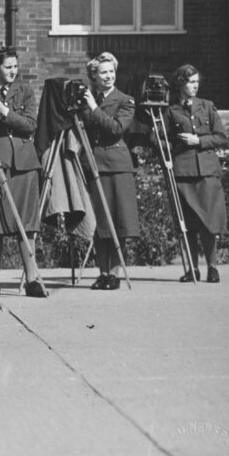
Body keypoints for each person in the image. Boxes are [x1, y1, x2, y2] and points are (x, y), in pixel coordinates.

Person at [0, 46, 49, 298]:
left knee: (27, 224)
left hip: (25, 165)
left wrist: (5, 112)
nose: (12, 71)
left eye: (15, 66)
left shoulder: (26, 91)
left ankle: (32, 279)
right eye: (7, 67)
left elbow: (30, 125)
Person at [79, 52, 139, 290]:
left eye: (111, 71)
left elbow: (116, 128)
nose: (109, 76)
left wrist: (93, 108)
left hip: (116, 165)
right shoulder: (87, 98)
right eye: (103, 72)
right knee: (100, 221)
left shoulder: (125, 100)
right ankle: (102, 272)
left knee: (118, 219)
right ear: (93, 75)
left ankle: (114, 272)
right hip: (94, 164)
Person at [165, 64, 229, 283]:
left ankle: (212, 267)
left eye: (197, 82)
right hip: (183, 172)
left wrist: (198, 141)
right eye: (191, 82)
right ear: (181, 83)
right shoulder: (171, 109)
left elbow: (221, 137)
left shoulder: (207, 106)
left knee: (209, 222)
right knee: (188, 224)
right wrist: (172, 146)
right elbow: (160, 138)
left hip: (207, 171)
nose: (195, 86)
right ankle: (193, 269)